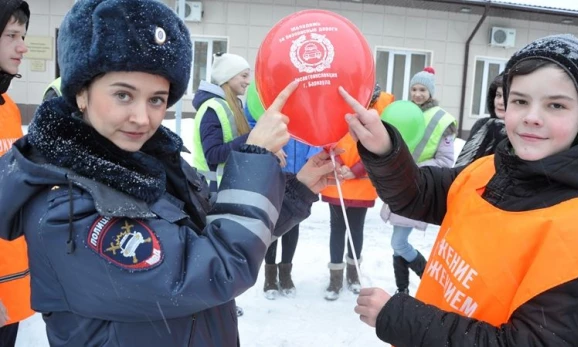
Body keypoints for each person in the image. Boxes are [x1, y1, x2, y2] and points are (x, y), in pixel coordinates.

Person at [0, 0, 337, 346]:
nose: (142, 118)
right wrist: (255, 157)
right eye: (123, 95)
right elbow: (216, 268)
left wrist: (299, 189)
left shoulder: (147, 162)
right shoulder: (66, 209)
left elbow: (215, 228)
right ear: (82, 93)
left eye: (156, 100)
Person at [344, 34, 578, 346]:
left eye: (556, 105)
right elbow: (416, 195)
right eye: (520, 101)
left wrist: (401, 318)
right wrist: (383, 148)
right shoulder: (487, 171)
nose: (531, 117)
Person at [380, 67, 457, 294]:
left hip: (418, 189)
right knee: (398, 247)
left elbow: (445, 161)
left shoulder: (442, 120)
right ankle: (402, 289)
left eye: (422, 89)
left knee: (399, 243)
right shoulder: (404, 113)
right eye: (414, 89)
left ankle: (428, 277)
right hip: (400, 186)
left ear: (431, 92)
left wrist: (413, 170)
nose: (417, 93)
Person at [322, 85, 394, 301]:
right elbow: (325, 137)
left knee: (356, 229)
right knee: (337, 229)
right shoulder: (337, 106)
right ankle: (335, 277)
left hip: (360, 181)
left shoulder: (382, 111)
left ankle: (353, 275)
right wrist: (338, 163)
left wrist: (355, 170)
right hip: (338, 178)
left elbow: (382, 145)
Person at [245, 103, 321, 299]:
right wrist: (271, 146)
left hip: (300, 170)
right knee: (270, 221)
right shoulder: (269, 95)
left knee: (292, 223)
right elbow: (254, 123)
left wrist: (312, 156)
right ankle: (270, 276)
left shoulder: (307, 98)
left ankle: (286, 273)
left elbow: (317, 129)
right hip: (274, 167)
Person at [192, 53, 287, 192]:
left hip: (226, 188)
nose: (248, 81)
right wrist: (253, 137)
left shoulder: (232, 105)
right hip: (211, 192)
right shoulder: (212, 108)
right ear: (227, 77)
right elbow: (213, 155)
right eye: (244, 76)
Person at [0, 1, 33, 346]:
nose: (22, 46)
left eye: (22, 35)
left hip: (11, 281)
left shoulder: (7, 107)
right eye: (11, 35)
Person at [455, 73, 508, 167]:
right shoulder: (482, 124)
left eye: (506, 97)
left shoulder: (518, 135)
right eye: (498, 95)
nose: (500, 102)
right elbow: (461, 165)